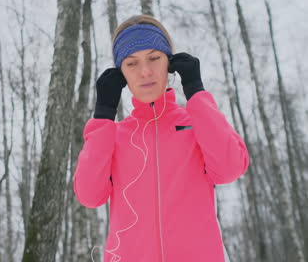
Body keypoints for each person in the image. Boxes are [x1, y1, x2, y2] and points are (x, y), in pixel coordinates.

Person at [73, 15, 249, 262]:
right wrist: (103, 115)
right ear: (121, 74)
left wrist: (196, 91)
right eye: (131, 64)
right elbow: (89, 195)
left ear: (170, 62)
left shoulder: (196, 123)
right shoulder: (115, 136)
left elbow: (230, 168)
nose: (145, 71)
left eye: (154, 58)